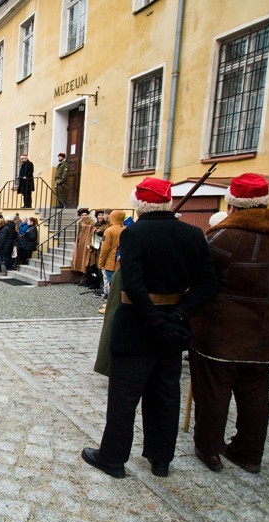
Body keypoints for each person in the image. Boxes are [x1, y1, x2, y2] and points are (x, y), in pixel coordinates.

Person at [82, 177, 217, 479]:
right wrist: (179, 315)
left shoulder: (135, 234)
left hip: (137, 326)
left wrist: (155, 320)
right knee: (165, 395)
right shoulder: (193, 234)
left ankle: (112, 457)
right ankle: (161, 459)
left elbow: (133, 283)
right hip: (172, 326)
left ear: (138, 203)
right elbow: (207, 284)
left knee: (124, 397)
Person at [189, 174, 269, 474]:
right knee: (256, 394)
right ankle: (249, 453)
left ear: (232, 202)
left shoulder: (222, 238)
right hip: (266, 332)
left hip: (221, 331)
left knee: (214, 391)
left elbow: (200, 280)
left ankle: (209, 449)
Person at [97, 210, 126, 299]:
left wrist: (101, 262)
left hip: (111, 262)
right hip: (122, 261)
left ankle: (110, 303)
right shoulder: (126, 229)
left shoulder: (109, 230)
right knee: (120, 284)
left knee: (111, 284)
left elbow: (105, 248)